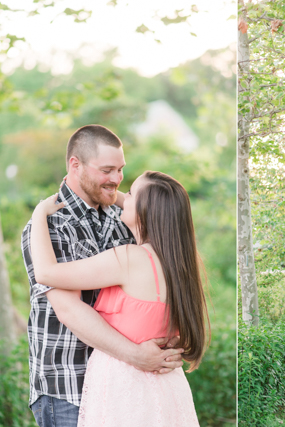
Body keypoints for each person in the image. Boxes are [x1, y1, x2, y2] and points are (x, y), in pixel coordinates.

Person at [21, 125, 186, 427]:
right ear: (75, 165)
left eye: (121, 170)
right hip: (68, 384)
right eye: (107, 170)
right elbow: (69, 310)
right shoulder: (48, 226)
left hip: (125, 384)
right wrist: (137, 355)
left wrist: (166, 348)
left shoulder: (123, 218)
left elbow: (153, 288)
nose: (116, 180)